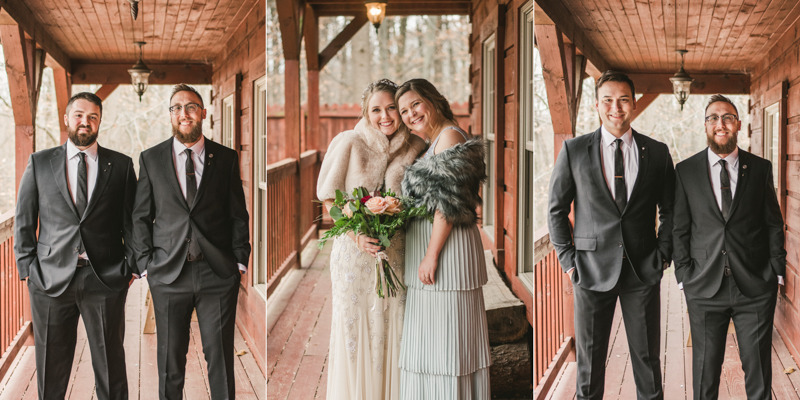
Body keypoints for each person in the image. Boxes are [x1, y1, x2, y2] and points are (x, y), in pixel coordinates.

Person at [548, 70, 674, 400]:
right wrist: (569, 262)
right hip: (588, 270)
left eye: (622, 99)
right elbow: (556, 210)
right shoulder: (574, 150)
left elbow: (672, 211)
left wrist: (663, 255)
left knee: (647, 361)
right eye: (607, 100)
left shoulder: (657, 153)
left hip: (642, 269)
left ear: (632, 104)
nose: (615, 107)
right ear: (596, 105)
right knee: (589, 366)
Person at [14, 92, 137, 400]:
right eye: (79, 115)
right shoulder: (40, 163)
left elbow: (133, 221)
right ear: (67, 119)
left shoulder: (121, 166)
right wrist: (28, 269)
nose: (86, 121)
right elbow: (24, 220)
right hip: (50, 281)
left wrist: (131, 267)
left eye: (92, 116)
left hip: (105, 279)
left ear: (99, 122)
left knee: (110, 364)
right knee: (51, 368)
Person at [132, 84, 250, 400]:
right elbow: (140, 216)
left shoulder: (225, 158)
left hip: (217, 273)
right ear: (170, 114)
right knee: (170, 363)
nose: (184, 113)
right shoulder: (151, 159)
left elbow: (238, 213)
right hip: (168, 274)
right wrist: (145, 266)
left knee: (220, 360)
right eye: (177, 108)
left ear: (203, 113)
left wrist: (239, 261)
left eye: (191, 106)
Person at [317, 78, 427, 400]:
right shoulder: (349, 141)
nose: (385, 116)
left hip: (396, 252)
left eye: (391, 107)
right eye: (376, 109)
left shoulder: (416, 146)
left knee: (393, 327)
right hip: (354, 254)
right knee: (356, 328)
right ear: (366, 112)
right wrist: (356, 234)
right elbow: (329, 201)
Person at [673, 94, 785, 400]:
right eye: (713, 118)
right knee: (705, 370)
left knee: (758, 370)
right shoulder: (685, 171)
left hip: (755, 286)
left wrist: (775, 270)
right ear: (705, 125)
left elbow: (773, 222)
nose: (720, 124)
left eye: (727, 117)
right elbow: (679, 228)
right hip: (704, 287)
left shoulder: (760, 168)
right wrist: (684, 274)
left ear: (737, 123)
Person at [397, 78, 491, 399]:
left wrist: (431, 253)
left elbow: (447, 205)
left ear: (434, 100)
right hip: (434, 249)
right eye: (404, 111)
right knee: (433, 342)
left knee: (448, 342)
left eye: (415, 105)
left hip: (446, 252)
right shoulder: (434, 141)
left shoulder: (450, 137)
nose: (410, 114)